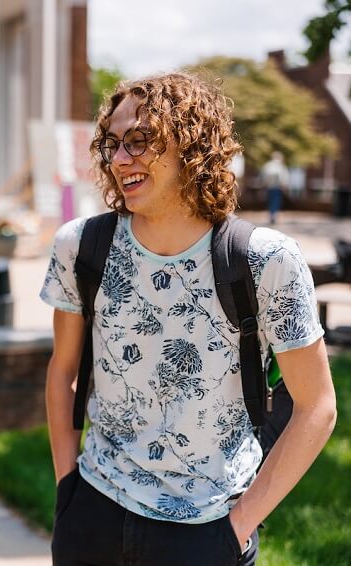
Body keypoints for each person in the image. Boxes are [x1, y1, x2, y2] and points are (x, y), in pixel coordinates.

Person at [40, 73, 336, 565]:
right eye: (113, 144)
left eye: (139, 141)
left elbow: (317, 406)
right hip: (93, 512)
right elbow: (62, 372)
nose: (119, 159)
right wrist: (67, 489)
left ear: (192, 146)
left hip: (208, 529)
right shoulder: (81, 246)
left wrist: (235, 529)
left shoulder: (265, 260)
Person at [260, 151, 290, 224]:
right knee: (276, 202)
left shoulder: (268, 165)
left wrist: (263, 184)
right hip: (278, 187)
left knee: (270, 201)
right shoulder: (281, 166)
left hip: (269, 187)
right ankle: (274, 215)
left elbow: (263, 175)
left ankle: (271, 215)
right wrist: (285, 185)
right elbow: (284, 176)